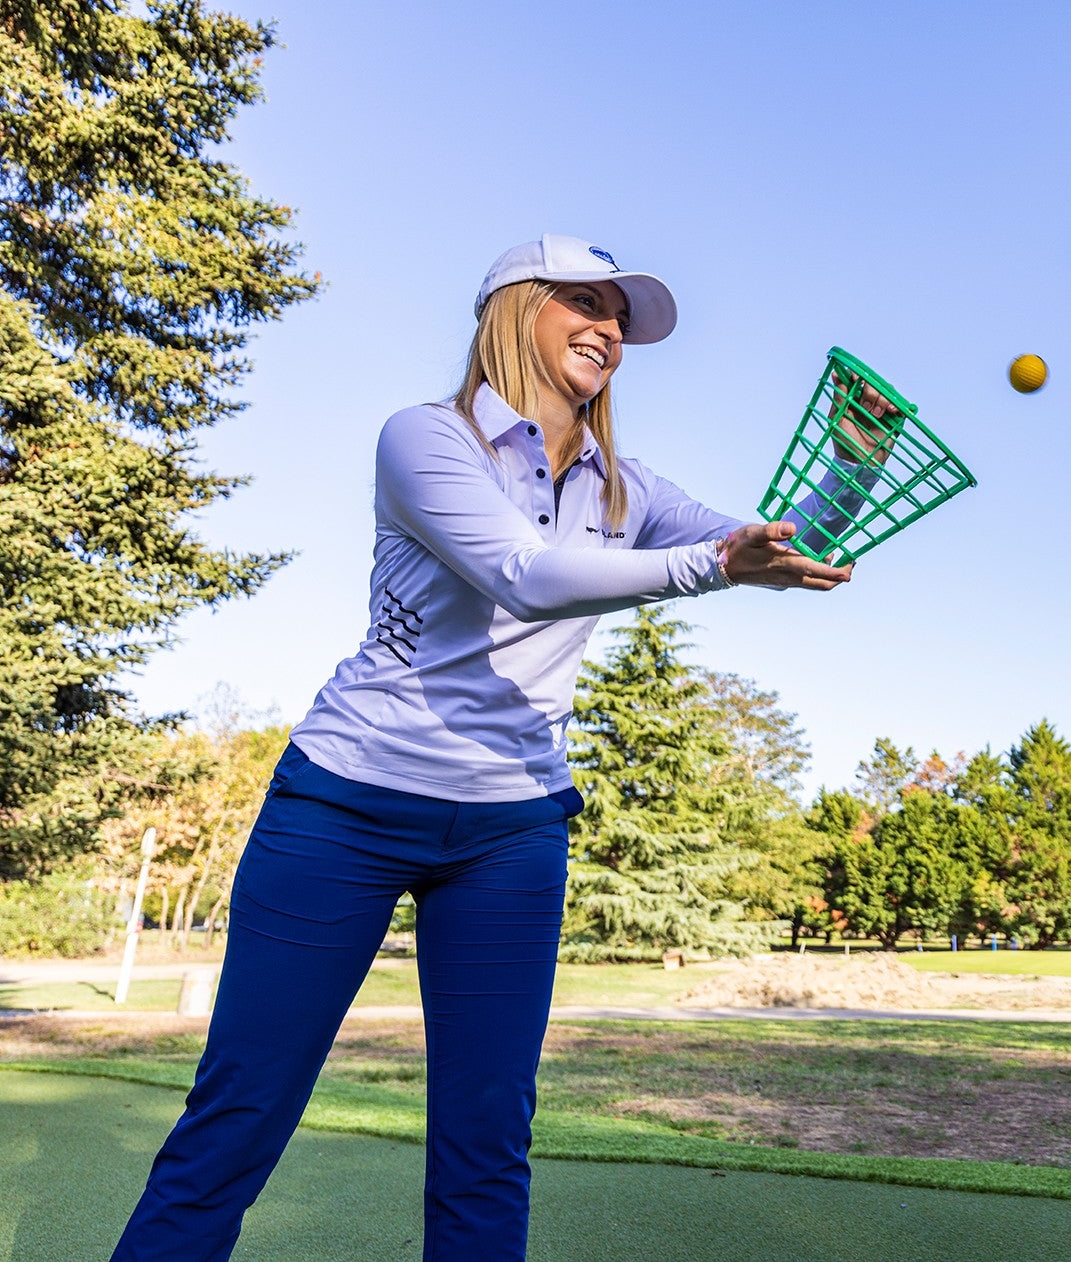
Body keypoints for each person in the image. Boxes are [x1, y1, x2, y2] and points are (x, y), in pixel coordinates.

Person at [115, 234, 879, 1260]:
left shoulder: (626, 488)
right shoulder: (425, 438)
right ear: (514, 310)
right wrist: (709, 566)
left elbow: (776, 548)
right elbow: (522, 570)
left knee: (488, 1134)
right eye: (585, 301)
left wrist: (853, 465)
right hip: (344, 802)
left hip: (513, 826)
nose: (609, 327)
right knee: (241, 1107)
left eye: (620, 316)